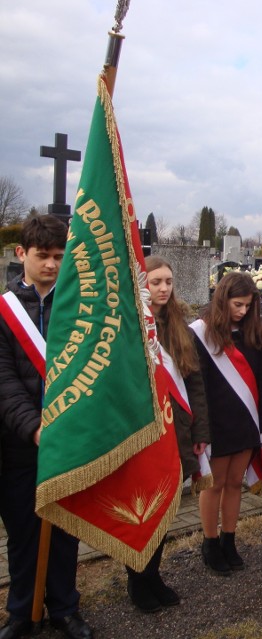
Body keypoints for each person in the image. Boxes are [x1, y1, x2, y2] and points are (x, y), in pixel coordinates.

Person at [0, 215, 94, 639]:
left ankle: (64, 607)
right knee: (23, 531)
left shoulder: (78, 308)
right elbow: (4, 380)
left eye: (60, 257)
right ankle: (23, 610)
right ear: (22, 254)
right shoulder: (4, 312)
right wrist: (34, 428)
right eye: (43, 256)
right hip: (19, 444)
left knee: (64, 532)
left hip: (68, 441)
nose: (53, 265)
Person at [127, 256, 210, 611]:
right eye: (155, 282)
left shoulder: (179, 324)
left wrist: (201, 429)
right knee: (145, 509)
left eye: (167, 282)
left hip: (177, 429)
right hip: (145, 432)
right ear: (142, 285)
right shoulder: (130, 325)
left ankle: (154, 575)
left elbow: (194, 381)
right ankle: (137, 580)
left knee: (167, 508)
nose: (162, 289)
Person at [192, 271, 262, 575]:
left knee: (234, 484)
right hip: (216, 423)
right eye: (237, 305)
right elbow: (197, 385)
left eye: (248, 306)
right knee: (214, 485)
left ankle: (229, 539)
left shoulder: (252, 333)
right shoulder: (200, 333)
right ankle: (210, 543)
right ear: (222, 300)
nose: (242, 311)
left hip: (245, 421)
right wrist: (201, 429)